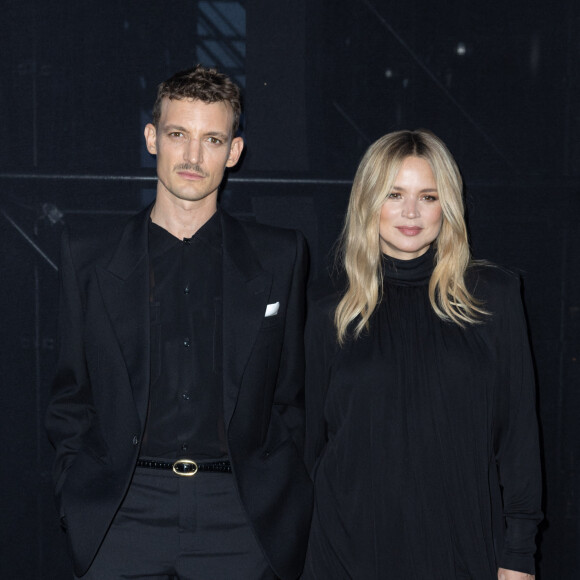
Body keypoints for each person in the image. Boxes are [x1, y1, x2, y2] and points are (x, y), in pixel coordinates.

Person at [45, 64, 312, 579]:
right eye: (177, 135)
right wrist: (73, 489)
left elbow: (294, 393)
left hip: (239, 518)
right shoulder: (89, 256)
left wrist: (282, 491)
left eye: (212, 139)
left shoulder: (281, 255)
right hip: (122, 515)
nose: (192, 156)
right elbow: (69, 394)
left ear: (234, 151)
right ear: (152, 139)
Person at [303, 129, 542, 579]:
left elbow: (519, 440)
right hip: (345, 551)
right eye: (394, 194)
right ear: (368, 202)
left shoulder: (493, 297)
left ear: (447, 205)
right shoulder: (327, 308)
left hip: (463, 546)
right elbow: (307, 447)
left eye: (428, 196)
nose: (411, 212)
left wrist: (519, 553)